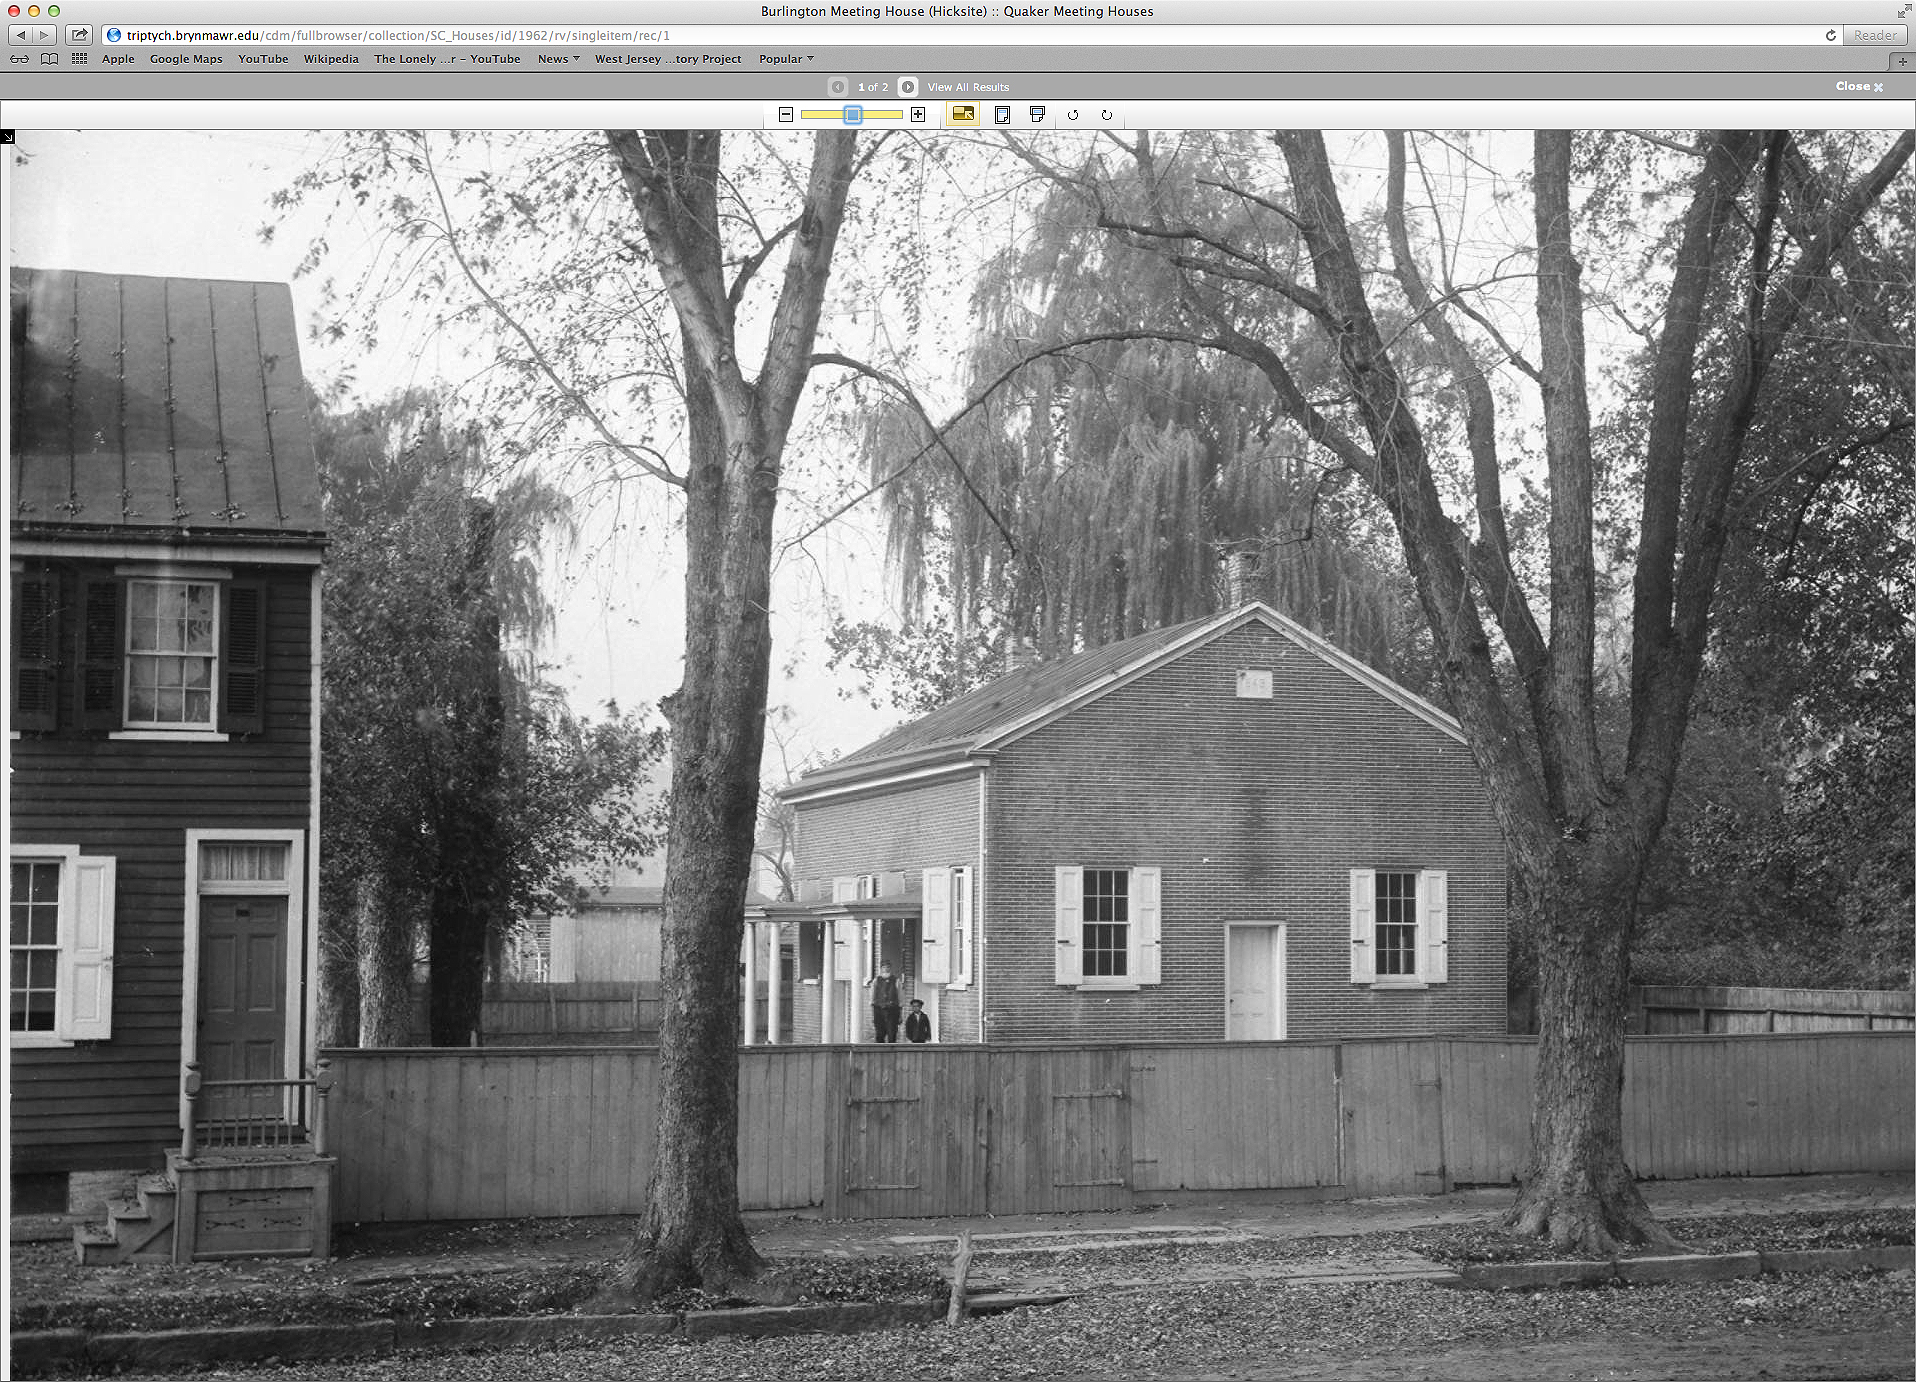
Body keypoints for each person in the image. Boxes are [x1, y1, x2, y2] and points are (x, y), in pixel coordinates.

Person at [870, 960, 901, 1042]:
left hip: (892, 1010)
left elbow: (900, 997)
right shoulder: (876, 981)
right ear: (881, 969)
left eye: (888, 967)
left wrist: (900, 1013)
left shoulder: (896, 981)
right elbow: (872, 998)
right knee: (879, 1033)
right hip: (879, 1009)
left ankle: (892, 1052)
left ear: (890, 968)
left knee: (892, 1032)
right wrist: (872, 1014)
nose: (886, 969)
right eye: (884, 967)